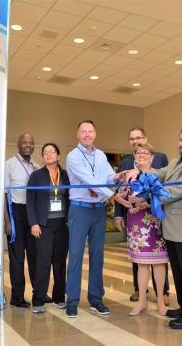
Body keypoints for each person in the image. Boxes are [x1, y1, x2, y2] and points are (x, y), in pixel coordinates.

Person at [125, 124, 182, 329]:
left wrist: (146, 198)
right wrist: (139, 171)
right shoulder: (174, 161)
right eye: (181, 139)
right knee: (178, 272)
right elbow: (158, 175)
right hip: (170, 227)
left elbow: (177, 190)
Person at [65, 120, 132, 318]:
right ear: (77, 135)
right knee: (76, 255)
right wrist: (112, 195)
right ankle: (73, 301)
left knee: (98, 255)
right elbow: (92, 181)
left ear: (95, 134)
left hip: (98, 211)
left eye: (90, 131)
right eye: (83, 131)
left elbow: (108, 177)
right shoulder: (73, 157)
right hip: (80, 209)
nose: (87, 134)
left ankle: (96, 299)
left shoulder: (101, 155)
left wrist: (118, 177)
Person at [114, 127, 170, 306]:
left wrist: (144, 203)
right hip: (136, 225)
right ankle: (142, 300)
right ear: (134, 156)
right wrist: (123, 200)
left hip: (154, 222)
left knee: (159, 263)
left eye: (145, 153)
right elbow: (118, 194)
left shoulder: (158, 174)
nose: (142, 155)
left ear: (152, 157)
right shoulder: (128, 175)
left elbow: (165, 196)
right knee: (141, 263)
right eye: (139, 153)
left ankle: (161, 299)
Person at [4, 133, 52, 307]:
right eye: (24, 142)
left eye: (31, 142)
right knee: (17, 258)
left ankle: (38, 293)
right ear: (18, 144)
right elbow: (4, 194)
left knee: (35, 256)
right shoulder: (9, 165)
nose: (28, 145)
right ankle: (17, 297)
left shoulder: (37, 167)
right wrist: (7, 222)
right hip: (15, 212)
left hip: (33, 215)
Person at [26, 143, 70, 313]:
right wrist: (33, 223)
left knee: (59, 263)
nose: (49, 154)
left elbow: (71, 198)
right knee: (43, 263)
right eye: (45, 152)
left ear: (58, 156)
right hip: (43, 225)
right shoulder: (36, 176)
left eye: (52, 151)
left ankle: (59, 298)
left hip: (62, 225)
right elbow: (30, 201)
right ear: (43, 157)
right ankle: (38, 300)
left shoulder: (65, 175)